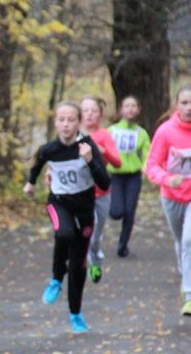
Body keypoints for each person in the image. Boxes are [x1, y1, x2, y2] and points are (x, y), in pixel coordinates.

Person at [24, 102, 110, 333]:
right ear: (56, 123)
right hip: (58, 203)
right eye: (61, 119)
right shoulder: (49, 149)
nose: (65, 124)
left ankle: (76, 314)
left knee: (79, 264)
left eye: (71, 119)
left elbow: (105, 183)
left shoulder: (87, 146)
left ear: (78, 122)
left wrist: (91, 160)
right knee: (63, 233)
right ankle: (55, 278)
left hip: (84, 209)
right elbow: (38, 163)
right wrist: (30, 183)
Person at [145, 87, 191, 315]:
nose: (189, 107)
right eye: (184, 102)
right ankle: (186, 273)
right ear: (177, 105)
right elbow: (151, 165)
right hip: (172, 195)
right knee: (180, 239)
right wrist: (167, 178)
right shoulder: (166, 132)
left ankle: (189, 293)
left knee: (189, 240)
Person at [81, 96, 121, 282]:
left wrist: (100, 150)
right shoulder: (72, 133)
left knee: (96, 235)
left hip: (101, 192)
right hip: (79, 193)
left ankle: (96, 260)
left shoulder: (104, 135)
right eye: (86, 110)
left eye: (94, 111)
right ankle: (81, 262)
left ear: (100, 115)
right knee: (88, 227)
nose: (89, 114)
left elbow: (117, 162)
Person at [108, 95, 150, 258]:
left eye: (134, 106)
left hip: (133, 176)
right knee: (117, 212)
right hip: (116, 175)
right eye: (127, 106)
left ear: (138, 110)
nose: (130, 109)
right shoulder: (112, 131)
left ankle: (122, 246)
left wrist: (146, 168)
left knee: (130, 212)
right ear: (121, 109)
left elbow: (148, 154)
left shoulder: (142, 133)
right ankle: (114, 209)